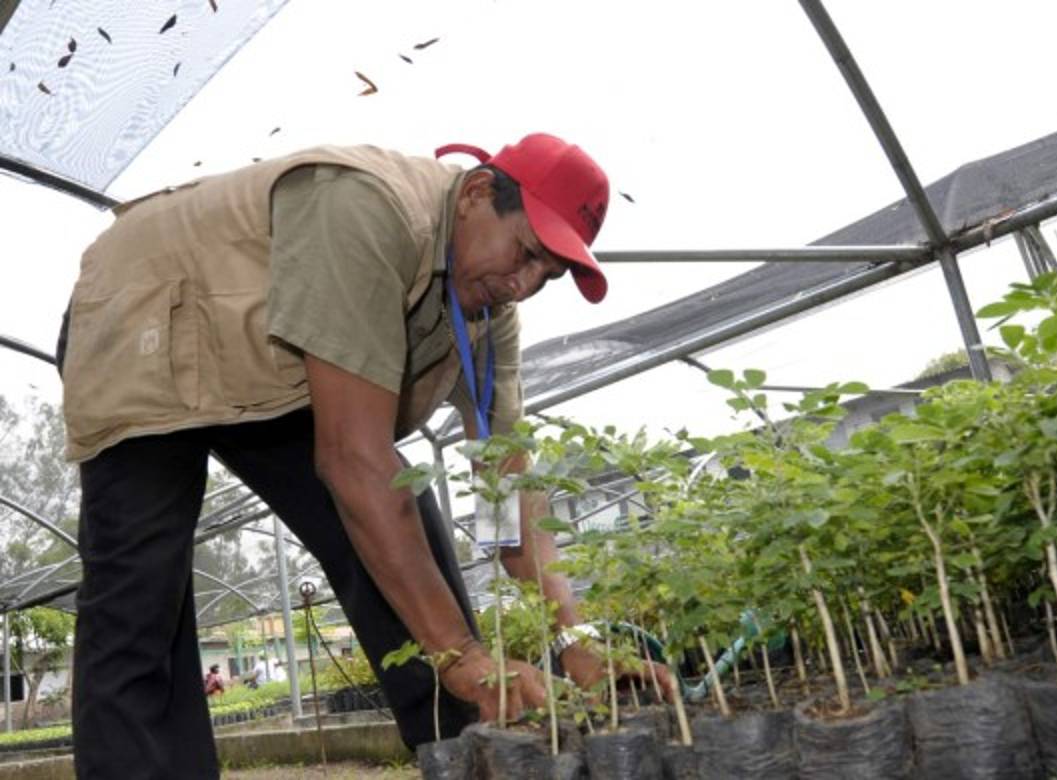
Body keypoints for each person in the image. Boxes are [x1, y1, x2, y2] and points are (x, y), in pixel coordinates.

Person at [58, 132, 674, 779]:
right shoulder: (368, 209)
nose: (521, 284)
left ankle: (465, 755)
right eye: (524, 252)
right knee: (142, 596)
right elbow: (354, 460)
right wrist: (460, 651)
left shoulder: (491, 310)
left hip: (270, 370)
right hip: (145, 319)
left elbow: (507, 495)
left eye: (544, 275)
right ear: (475, 194)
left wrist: (576, 641)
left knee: (393, 532)